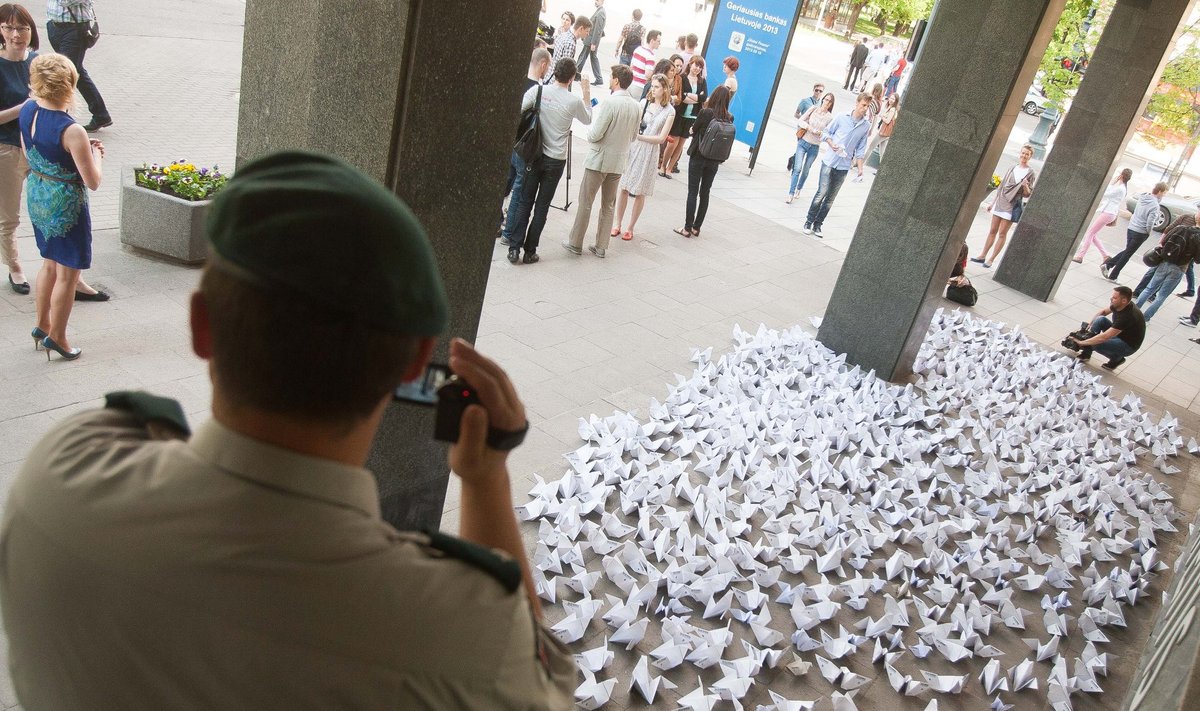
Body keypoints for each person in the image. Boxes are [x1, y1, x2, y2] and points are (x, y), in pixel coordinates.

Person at [0, 151, 577, 708]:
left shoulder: (61, 470)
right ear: (411, 364)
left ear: (201, 328)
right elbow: (541, 682)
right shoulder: (459, 635)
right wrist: (484, 477)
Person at [20, 52, 103, 361]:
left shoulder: (28, 110)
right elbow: (92, 181)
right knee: (67, 274)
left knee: (48, 264)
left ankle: (42, 326)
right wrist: (97, 156)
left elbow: (30, 152)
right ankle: (59, 337)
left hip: (38, 195)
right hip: (66, 205)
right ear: (69, 85)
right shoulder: (73, 130)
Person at [506, 58, 591, 265]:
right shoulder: (573, 101)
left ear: (555, 72)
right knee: (542, 206)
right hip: (556, 159)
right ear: (571, 78)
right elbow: (588, 119)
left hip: (533, 154)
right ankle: (530, 251)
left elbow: (519, 109)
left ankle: (514, 248)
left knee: (524, 201)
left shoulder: (539, 92)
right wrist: (587, 93)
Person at [564, 64, 640, 259]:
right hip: (618, 162)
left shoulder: (610, 103)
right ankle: (601, 245)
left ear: (616, 80)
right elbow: (633, 136)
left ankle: (575, 241)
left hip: (599, 159)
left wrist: (589, 134)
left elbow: (596, 134)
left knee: (586, 201)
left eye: (611, 77)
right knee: (608, 204)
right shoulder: (635, 106)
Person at [611, 73, 672, 242]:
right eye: (652, 86)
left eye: (657, 87)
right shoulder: (644, 103)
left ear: (664, 89)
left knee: (640, 191)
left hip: (650, 152)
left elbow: (661, 138)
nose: (653, 89)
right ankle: (617, 223)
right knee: (624, 186)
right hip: (634, 148)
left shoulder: (669, 111)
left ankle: (630, 227)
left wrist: (639, 137)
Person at [0, 2, 35, 295]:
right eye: (9, 27)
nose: (16, 34)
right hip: (7, 150)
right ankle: (15, 268)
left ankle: (66, 271)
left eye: (22, 27)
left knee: (50, 213)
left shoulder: (37, 62)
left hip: (38, 148)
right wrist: (24, 108)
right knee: (9, 217)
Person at [803, 93, 872, 238]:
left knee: (830, 199)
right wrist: (831, 143)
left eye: (868, 106)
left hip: (844, 166)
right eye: (863, 105)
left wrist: (860, 169)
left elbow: (860, 149)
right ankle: (808, 222)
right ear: (857, 103)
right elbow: (827, 132)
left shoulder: (865, 126)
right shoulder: (841, 117)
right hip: (829, 161)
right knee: (821, 193)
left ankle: (818, 225)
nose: (865, 109)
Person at [500, 47, 551, 232]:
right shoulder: (538, 91)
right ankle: (507, 228)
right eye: (548, 66)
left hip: (509, 140)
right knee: (518, 187)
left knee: (506, 181)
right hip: (523, 144)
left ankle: (496, 217)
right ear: (543, 65)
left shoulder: (517, 81)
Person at [673, 84, 732, 239]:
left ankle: (686, 228)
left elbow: (693, 130)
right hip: (714, 160)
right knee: (705, 193)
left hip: (698, 156)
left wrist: (693, 130)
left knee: (693, 191)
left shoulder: (705, 112)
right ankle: (696, 228)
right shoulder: (729, 117)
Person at [45, 0, 109, 131]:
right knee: (76, 71)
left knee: (66, 73)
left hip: (74, 29)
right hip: (53, 24)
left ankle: (60, 119)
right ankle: (101, 114)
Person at [974, 144, 1036, 268]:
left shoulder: (1030, 173)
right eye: (1023, 153)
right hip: (1001, 201)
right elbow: (1002, 186)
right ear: (1020, 153)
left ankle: (991, 259)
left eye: (1027, 154)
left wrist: (1025, 185)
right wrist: (992, 203)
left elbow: (1028, 194)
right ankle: (982, 255)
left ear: (1030, 157)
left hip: (1012, 204)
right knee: (992, 230)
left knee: (1002, 233)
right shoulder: (1012, 167)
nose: (1024, 155)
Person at [1134, 221, 1200, 320]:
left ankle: (1133, 311)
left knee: (1149, 289)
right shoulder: (1198, 237)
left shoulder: (1181, 228)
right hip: (1180, 267)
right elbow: (1197, 259)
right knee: (1162, 296)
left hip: (1164, 262)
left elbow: (1163, 242)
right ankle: (1146, 317)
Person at [1068, 286, 1146, 370]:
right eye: (1112, 296)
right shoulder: (1120, 305)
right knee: (1100, 319)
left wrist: (1081, 342)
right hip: (1120, 334)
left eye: (1115, 298)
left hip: (1128, 345)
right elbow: (1103, 312)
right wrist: (1089, 325)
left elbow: (1104, 337)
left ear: (1124, 301)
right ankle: (1087, 352)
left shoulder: (1127, 317)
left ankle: (1117, 359)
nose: (1111, 299)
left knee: (1096, 344)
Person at [1073, 169, 1131, 264]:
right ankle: (1105, 256)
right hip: (1109, 213)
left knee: (1090, 233)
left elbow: (1105, 193)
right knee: (1093, 234)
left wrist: (1112, 182)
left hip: (1108, 213)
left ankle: (1080, 256)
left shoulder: (1120, 189)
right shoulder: (1122, 187)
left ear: (1121, 175)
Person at [786, 92, 834, 203]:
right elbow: (801, 120)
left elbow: (829, 134)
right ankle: (791, 193)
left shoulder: (830, 118)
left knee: (806, 170)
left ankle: (799, 188)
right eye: (826, 99)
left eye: (829, 101)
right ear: (823, 100)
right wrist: (810, 128)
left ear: (831, 104)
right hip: (803, 142)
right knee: (797, 168)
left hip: (815, 146)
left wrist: (821, 134)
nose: (827, 102)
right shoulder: (813, 109)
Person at [661, 55, 705, 178]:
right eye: (696, 65)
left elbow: (703, 97)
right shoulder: (682, 78)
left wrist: (692, 97)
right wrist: (696, 98)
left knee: (681, 144)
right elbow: (683, 98)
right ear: (690, 64)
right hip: (680, 114)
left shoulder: (702, 81)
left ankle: (670, 168)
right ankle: (663, 166)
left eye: (700, 67)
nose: (697, 68)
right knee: (672, 142)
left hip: (692, 116)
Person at [576, 0, 606, 86]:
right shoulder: (600, 11)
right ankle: (599, 78)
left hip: (591, 40)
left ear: (602, 1)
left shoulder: (601, 12)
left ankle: (577, 74)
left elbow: (598, 29)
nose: (595, 2)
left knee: (583, 56)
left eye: (597, 0)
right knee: (593, 57)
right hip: (592, 39)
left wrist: (593, 42)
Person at [864, 92, 899, 164]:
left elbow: (887, 121)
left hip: (883, 133)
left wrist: (882, 116)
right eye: (890, 98)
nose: (891, 100)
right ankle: (882, 169)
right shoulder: (891, 107)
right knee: (882, 152)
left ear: (896, 100)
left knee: (871, 147)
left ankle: (860, 163)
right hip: (887, 133)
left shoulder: (892, 109)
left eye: (893, 99)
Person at [629, 28, 659, 94]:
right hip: (640, 86)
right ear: (652, 41)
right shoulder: (651, 55)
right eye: (658, 41)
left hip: (631, 83)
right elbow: (648, 75)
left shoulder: (638, 49)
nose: (659, 43)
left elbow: (631, 67)